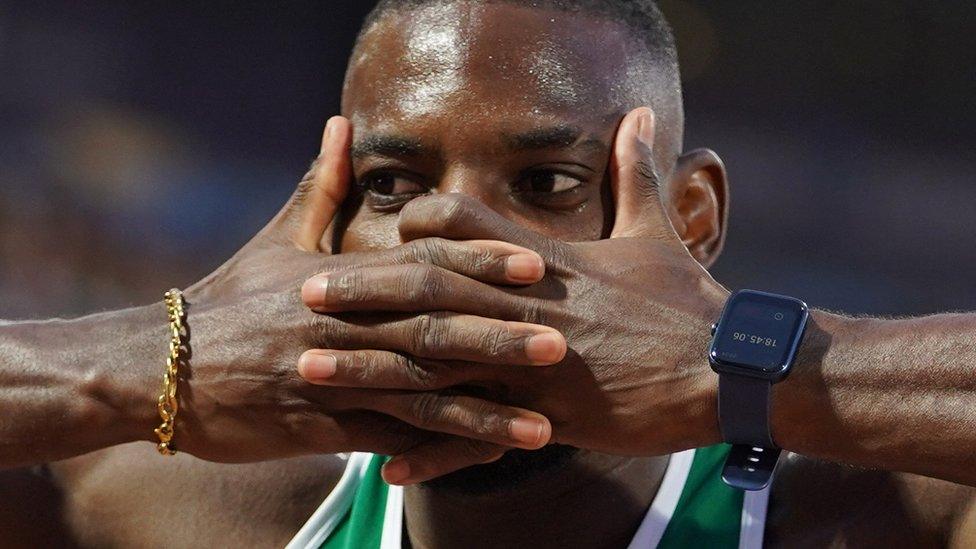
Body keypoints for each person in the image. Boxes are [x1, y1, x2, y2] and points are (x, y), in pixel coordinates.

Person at [2, 0, 975, 547]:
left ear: (691, 223)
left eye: (546, 180)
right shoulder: (192, 511)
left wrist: (745, 364)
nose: (447, 231)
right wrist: (145, 357)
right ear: (329, 232)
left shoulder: (867, 516)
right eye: (390, 185)